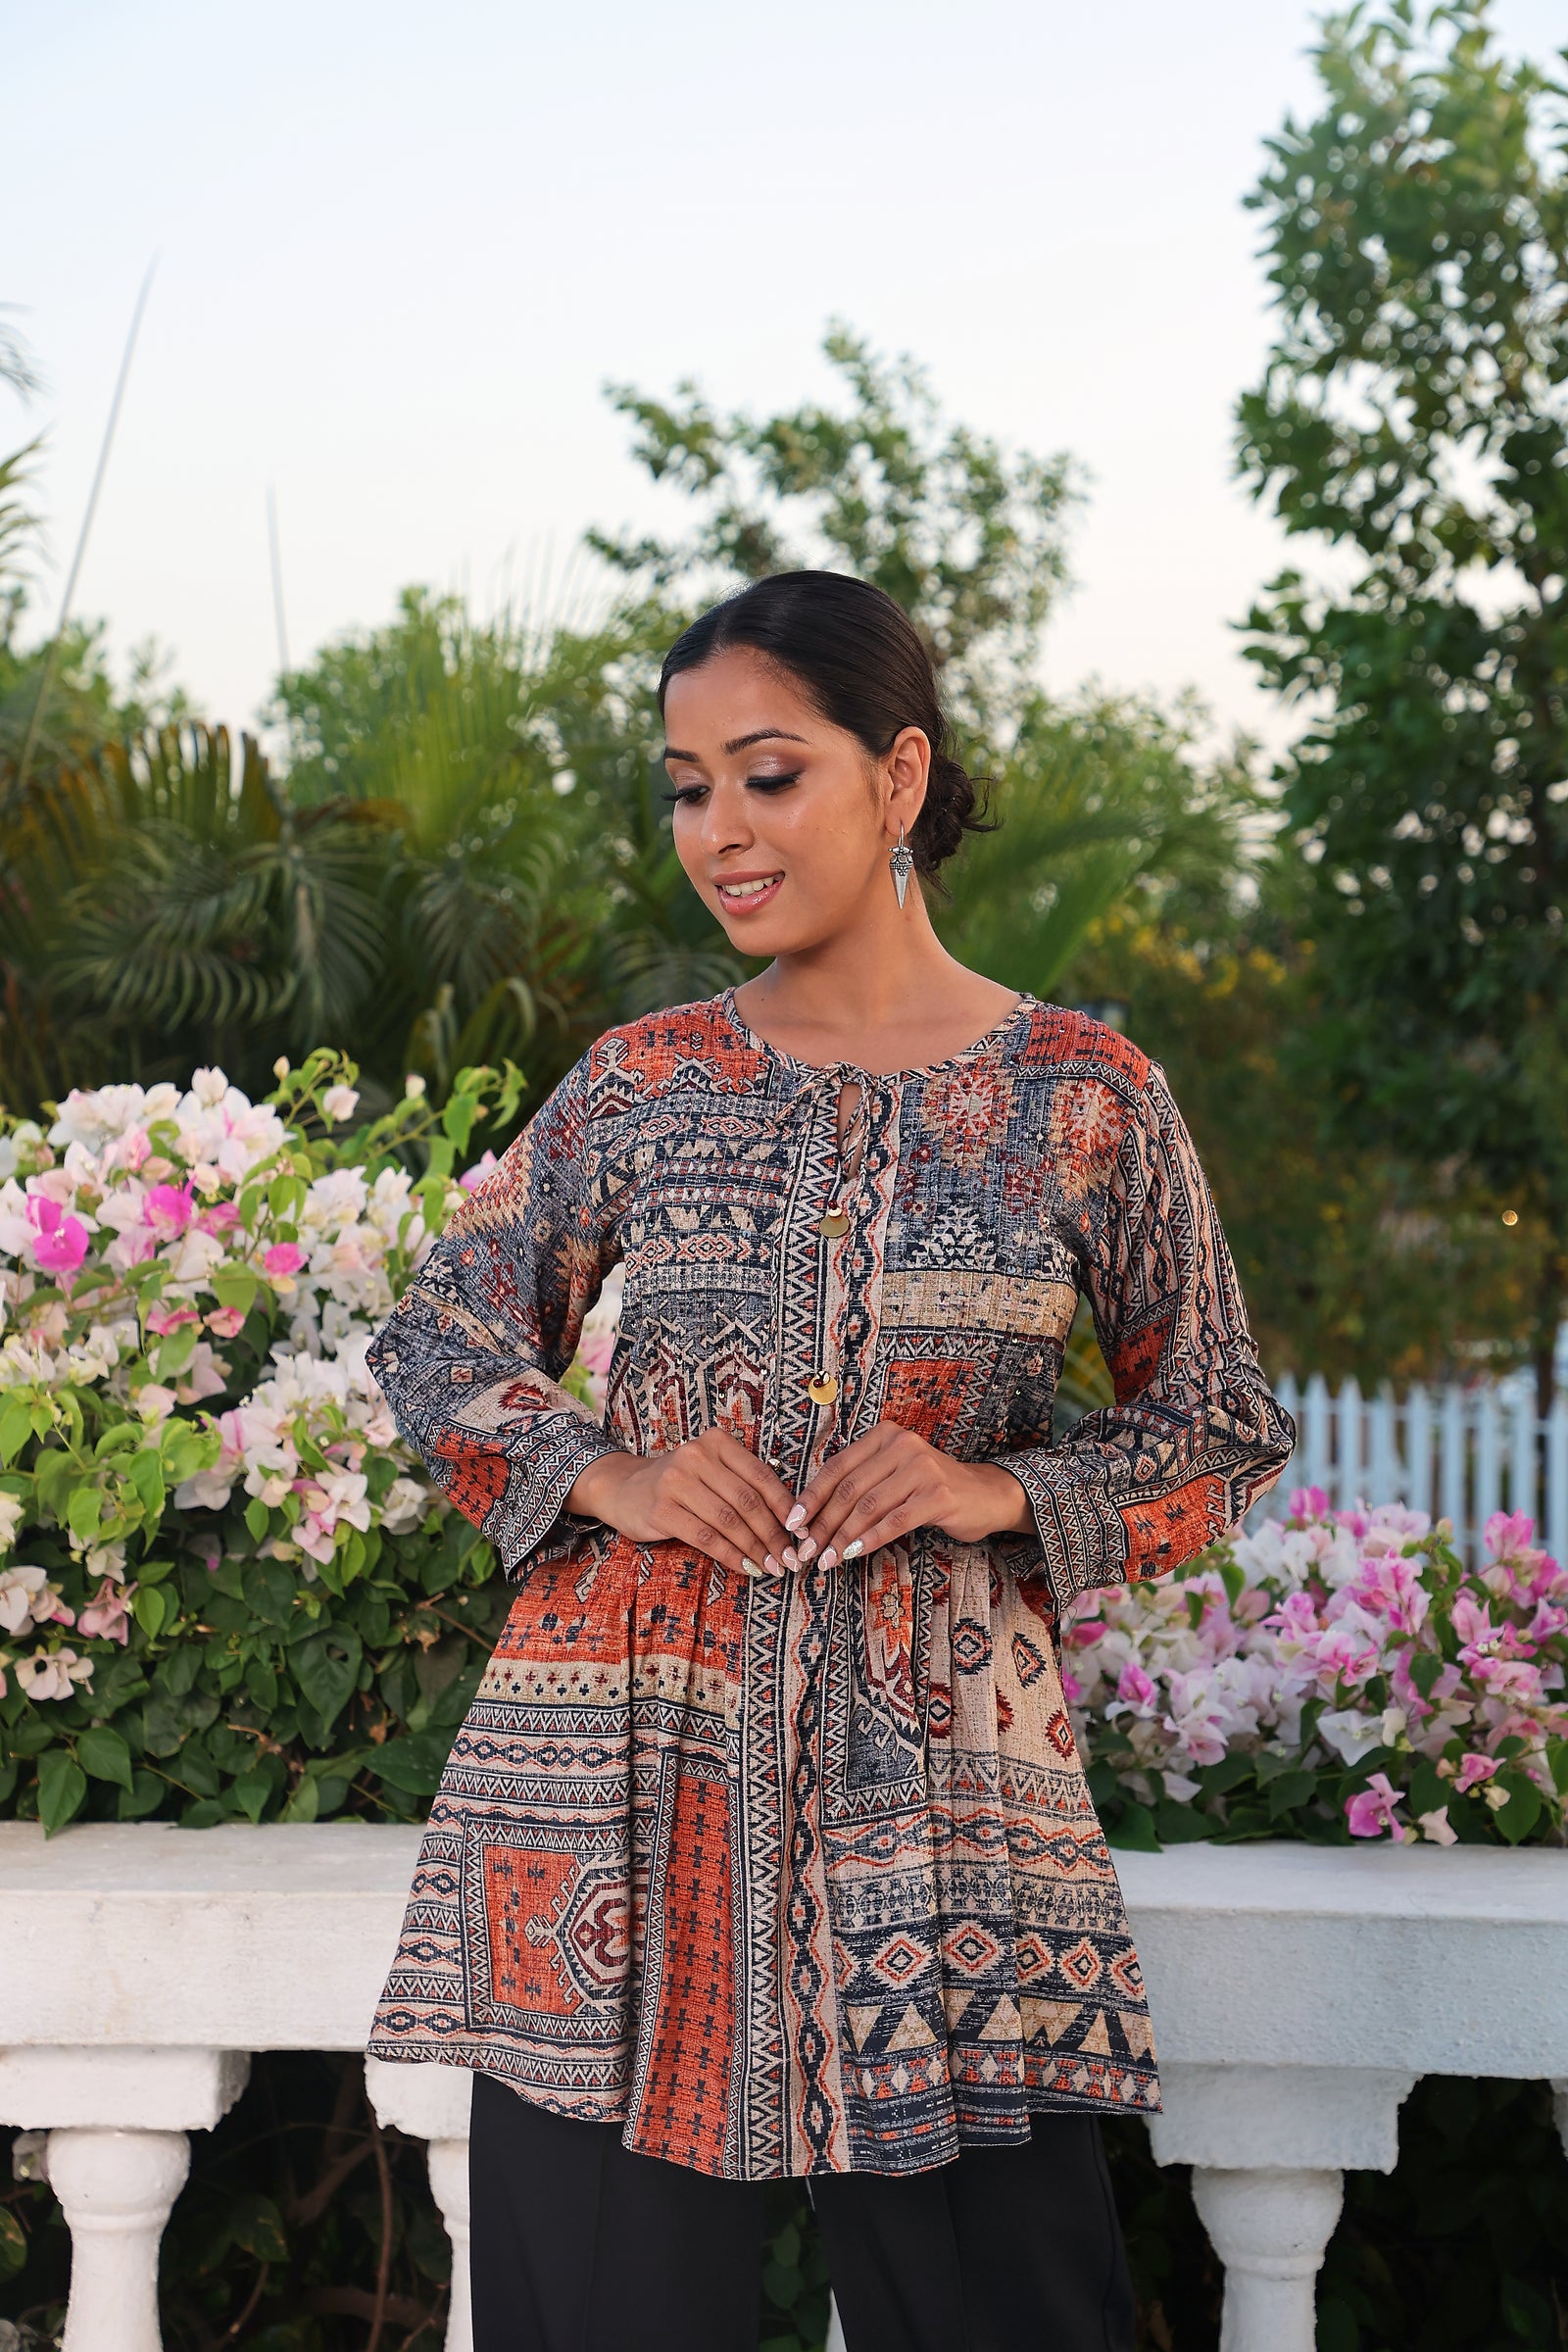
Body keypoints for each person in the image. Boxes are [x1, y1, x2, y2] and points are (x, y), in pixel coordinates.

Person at [365, 570, 1295, 2352]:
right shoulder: (643, 1081)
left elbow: (1220, 1423)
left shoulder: (1084, 1096)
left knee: (1005, 2312)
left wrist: (997, 1490)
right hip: (611, 1804)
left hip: (945, 1808)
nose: (720, 830)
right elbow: (438, 1340)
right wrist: (609, 1477)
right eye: (686, 785)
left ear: (899, 771)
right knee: (604, 2320)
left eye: (768, 774)